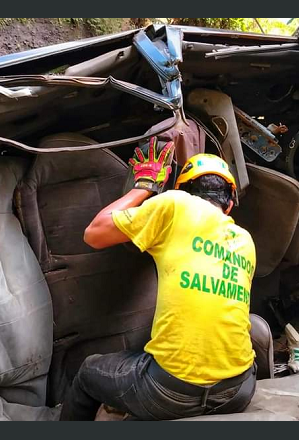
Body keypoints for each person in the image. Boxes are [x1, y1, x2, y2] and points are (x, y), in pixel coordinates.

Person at [60, 136, 257, 421]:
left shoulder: (176, 204)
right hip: (237, 391)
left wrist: (143, 187)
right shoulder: (245, 240)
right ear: (228, 205)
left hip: (170, 395)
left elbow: (95, 233)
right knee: (256, 329)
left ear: (184, 190)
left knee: (89, 373)